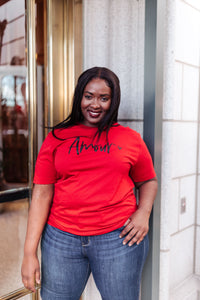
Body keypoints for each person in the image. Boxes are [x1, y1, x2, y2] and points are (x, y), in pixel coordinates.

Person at [21, 66, 158, 300]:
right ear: (79, 98)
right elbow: (42, 194)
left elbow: (148, 181)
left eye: (104, 98)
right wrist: (29, 252)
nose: (95, 104)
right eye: (88, 96)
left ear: (113, 102)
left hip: (118, 238)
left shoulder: (130, 139)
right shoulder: (56, 138)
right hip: (61, 240)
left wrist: (143, 212)